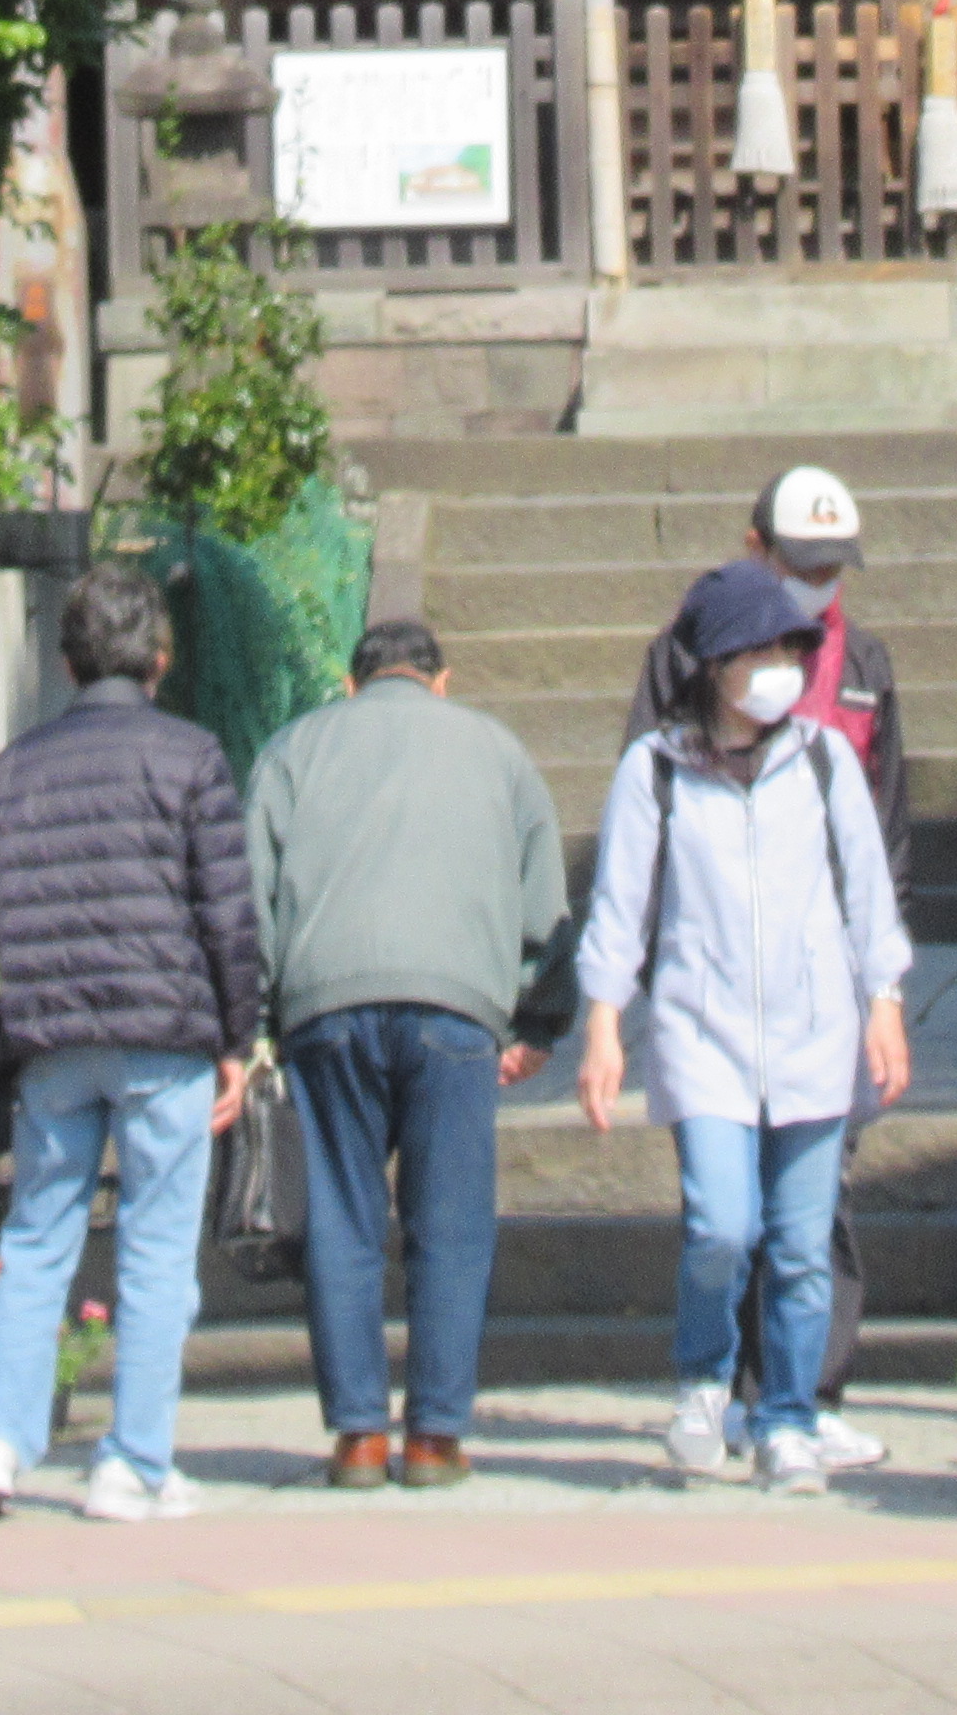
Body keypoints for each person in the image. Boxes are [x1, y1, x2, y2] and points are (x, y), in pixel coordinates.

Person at [574, 554, 913, 1498]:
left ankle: (789, 1419)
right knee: (723, 1226)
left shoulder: (823, 760)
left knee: (802, 1242)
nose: (779, 668)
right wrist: (604, 1022)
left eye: (788, 649)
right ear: (715, 663)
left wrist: (883, 1002)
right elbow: (621, 903)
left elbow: (867, 891)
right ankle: (702, 1379)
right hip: (703, 1031)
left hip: (814, 1035)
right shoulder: (657, 772)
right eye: (758, 651)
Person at [0, 561, 263, 1523]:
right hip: (165, 1033)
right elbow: (227, 912)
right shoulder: (191, 758)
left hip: (52, 1039)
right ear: (161, 659)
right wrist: (238, 1036)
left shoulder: (18, 766)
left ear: (68, 660)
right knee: (157, 1248)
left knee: (39, 1237)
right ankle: (132, 1461)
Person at [244, 615, 570, 1486]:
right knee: (451, 1224)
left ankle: (356, 1436)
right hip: (456, 1011)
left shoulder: (293, 749)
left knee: (343, 1221)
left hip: (326, 1011)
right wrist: (536, 1021)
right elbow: (546, 904)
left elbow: (252, 897)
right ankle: (435, 1437)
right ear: (442, 680)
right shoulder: (497, 752)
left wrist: (259, 1022)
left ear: (351, 685)